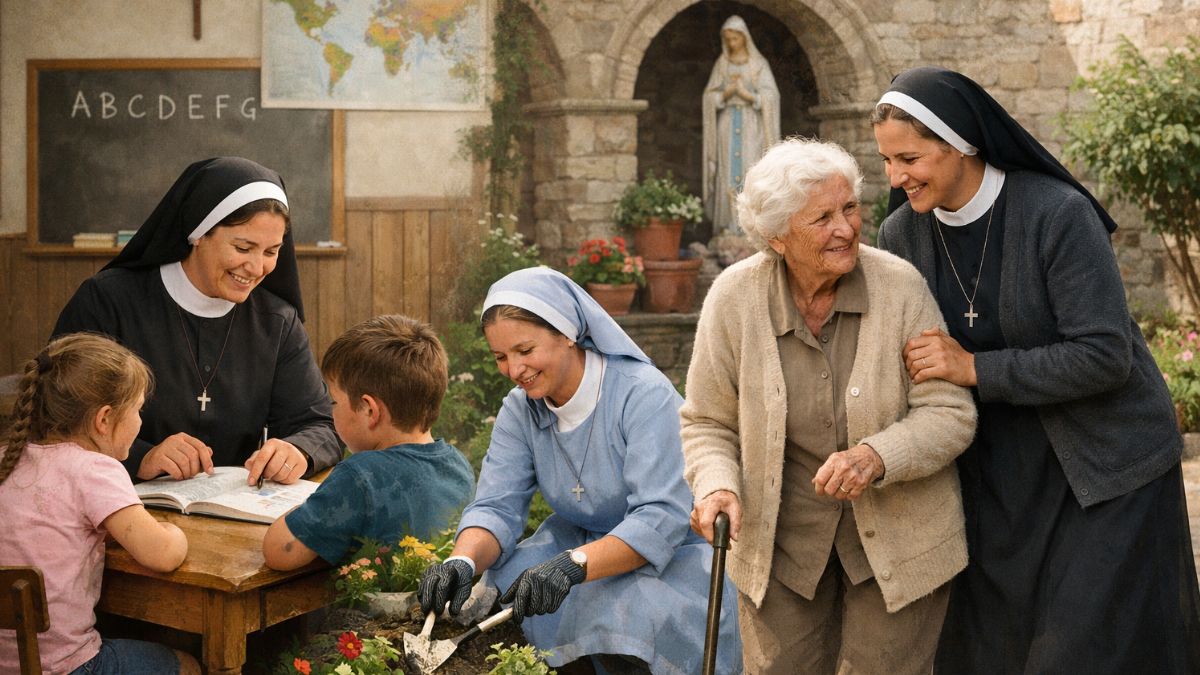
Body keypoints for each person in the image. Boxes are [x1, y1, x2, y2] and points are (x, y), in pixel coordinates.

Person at [871, 66, 1200, 673]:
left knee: (1087, 650)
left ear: (961, 143)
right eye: (887, 162)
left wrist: (975, 369)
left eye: (909, 159)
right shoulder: (901, 236)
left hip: (1102, 467)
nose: (895, 178)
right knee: (997, 649)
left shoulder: (1057, 214)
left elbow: (1105, 355)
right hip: (998, 476)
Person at [682, 138, 978, 674]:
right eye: (822, 218)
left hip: (900, 546)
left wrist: (876, 455)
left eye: (849, 208)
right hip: (782, 549)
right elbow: (707, 421)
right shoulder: (734, 298)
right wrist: (717, 485)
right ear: (776, 237)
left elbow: (949, 413)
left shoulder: (899, 288)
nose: (846, 228)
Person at [417, 267, 741, 674]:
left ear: (567, 332)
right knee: (509, 583)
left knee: (628, 615)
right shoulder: (520, 409)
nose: (514, 370)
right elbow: (497, 507)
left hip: (668, 558)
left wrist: (575, 566)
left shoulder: (642, 394)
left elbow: (660, 516)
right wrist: (461, 562)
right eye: (501, 357)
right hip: (575, 547)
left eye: (524, 350)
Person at [53, 157, 341, 487]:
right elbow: (60, 416)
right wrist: (141, 457)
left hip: (232, 513)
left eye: (271, 251)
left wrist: (298, 450)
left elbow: (319, 425)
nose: (256, 267)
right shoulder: (108, 301)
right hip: (114, 502)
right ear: (198, 233)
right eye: (243, 247)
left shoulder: (278, 322)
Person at [0, 333, 200, 675]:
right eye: (137, 410)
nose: (140, 422)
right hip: (69, 667)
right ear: (104, 419)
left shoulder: (7, 456)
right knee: (187, 665)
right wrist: (173, 532)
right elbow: (162, 555)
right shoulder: (95, 471)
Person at [262, 314, 475, 570]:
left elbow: (278, 552)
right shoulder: (458, 464)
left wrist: (311, 507)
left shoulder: (359, 476)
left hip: (375, 610)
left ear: (369, 411)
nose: (331, 411)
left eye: (334, 402)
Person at [702, 15, 780, 237]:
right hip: (727, 122)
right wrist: (727, 93)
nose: (731, 43)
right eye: (728, 39)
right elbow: (709, 96)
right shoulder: (722, 64)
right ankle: (727, 226)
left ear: (744, 38)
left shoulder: (758, 64)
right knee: (727, 172)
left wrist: (748, 95)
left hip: (752, 125)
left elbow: (772, 96)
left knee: (750, 168)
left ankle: (751, 228)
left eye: (735, 38)